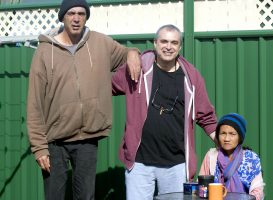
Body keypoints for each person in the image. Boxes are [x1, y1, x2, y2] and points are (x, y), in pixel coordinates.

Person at [26, 0, 140, 199]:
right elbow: (34, 103)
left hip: (87, 138)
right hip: (54, 140)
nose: (77, 18)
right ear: (63, 17)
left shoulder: (100, 43)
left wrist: (132, 53)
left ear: (86, 16)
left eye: (81, 13)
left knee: (86, 196)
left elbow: (125, 54)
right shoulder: (44, 52)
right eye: (71, 13)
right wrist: (39, 147)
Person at [112, 24, 217, 200]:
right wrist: (130, 53)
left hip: (176, 164)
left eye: (174, 42)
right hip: (139, 162)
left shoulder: (191, 77)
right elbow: (105, 86)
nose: (168, 46)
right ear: (155, 43)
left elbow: (205, 115)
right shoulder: (138, 68)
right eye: (164, 41)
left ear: (180, 47)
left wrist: (224, 143)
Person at [199, 113, 265, 200]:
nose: (227, 139)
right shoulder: (211, 156)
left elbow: (257, 191)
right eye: (223, 133)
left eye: (232, 134)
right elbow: (201, 186)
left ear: (240, 137)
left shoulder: (251, 158)